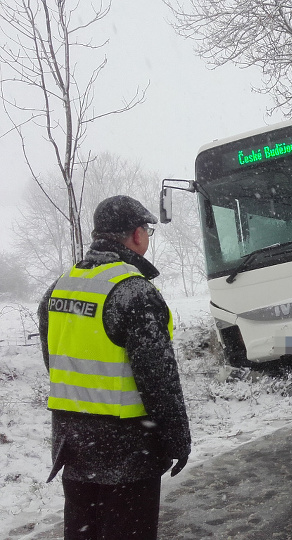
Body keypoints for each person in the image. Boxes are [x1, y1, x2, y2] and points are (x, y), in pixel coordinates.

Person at [37, 195, 191, 539]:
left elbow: (56, 362)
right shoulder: (133, 292)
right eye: (147, 229)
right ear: (137, 235)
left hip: (73, 446)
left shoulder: (57, 290)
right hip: (129, 450)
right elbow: (159, 379)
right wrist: (178, 441)